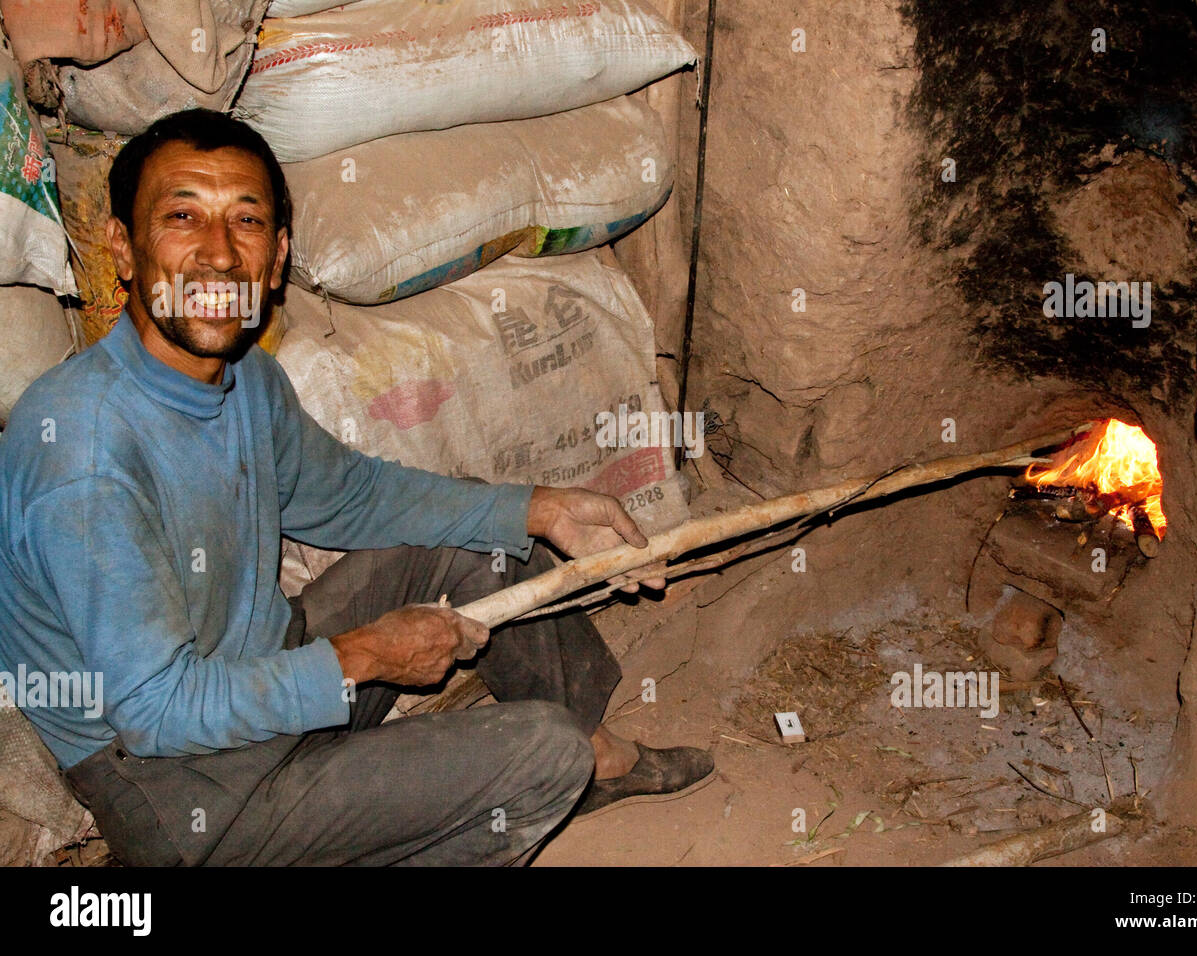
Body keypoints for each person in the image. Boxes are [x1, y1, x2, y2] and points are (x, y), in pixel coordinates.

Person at [0, 108, 712, 866]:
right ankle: (563, 763)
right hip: (183, 786)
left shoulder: (244, 380)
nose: (217, 253)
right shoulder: (83, 452)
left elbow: (351, 497)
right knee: (543, 755)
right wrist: (362, 655)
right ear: (125, 249)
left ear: (276, 259)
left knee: (484, 544)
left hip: (263, 670)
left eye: (246, 221)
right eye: (182, 216)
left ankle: (601, 759)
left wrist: (538, 507)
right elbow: (156, 711)